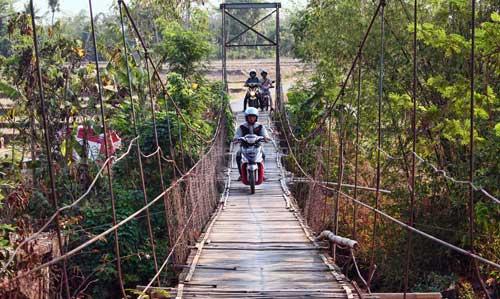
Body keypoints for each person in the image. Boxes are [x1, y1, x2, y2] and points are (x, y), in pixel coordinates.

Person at [234, 107, 270, 181]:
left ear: (256, 117)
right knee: (238, 155)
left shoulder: (260, 126)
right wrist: (236, 139)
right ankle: (241, 174)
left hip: (257, 146)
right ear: (246, 117)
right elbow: (237, 135)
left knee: (263, 155)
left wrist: (266, 138)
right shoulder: (242, 127)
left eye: (253, 117)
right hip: (245, 146)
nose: (251, 119)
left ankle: (262, 174)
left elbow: (265, 134)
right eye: (249, 117)